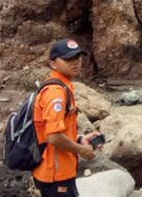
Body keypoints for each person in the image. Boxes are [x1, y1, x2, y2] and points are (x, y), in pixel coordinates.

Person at [32, 39, 102, 197]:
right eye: (68, 59)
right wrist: (81, 150)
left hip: (60, 172)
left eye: (78, 57)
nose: (75, 62)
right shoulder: (55, 93)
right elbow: (54, 138)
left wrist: (79, 138)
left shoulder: (63, 87)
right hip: (55, 175)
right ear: (53, 64)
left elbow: (52, 130)